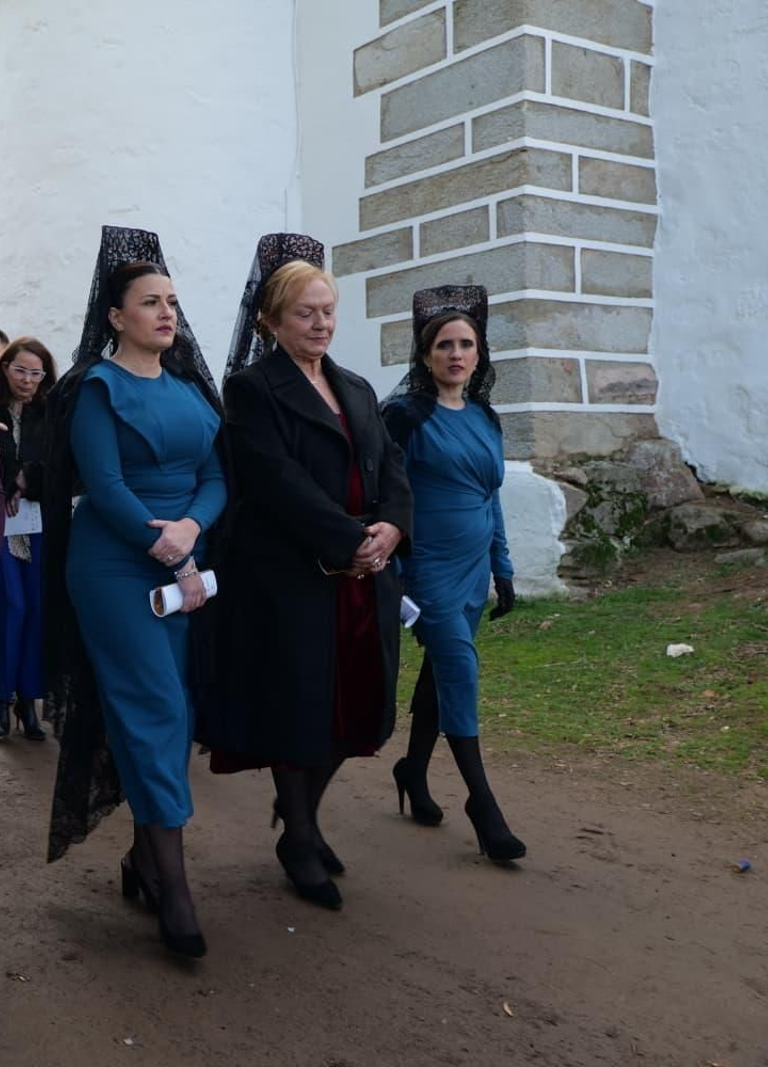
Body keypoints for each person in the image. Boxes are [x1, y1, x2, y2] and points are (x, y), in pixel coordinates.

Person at [198, 238, 413, 911]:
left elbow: (392, 465)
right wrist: (348, 539)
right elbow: (275, 481)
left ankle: (303, 816)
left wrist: (391, 526)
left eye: (327, 311)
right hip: (292, 578)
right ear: (271, 321)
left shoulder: (356, 387)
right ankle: (297, 835)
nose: (321, 324)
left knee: (359, 706)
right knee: (301, 709)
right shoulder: (251, 390)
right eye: (304, 313)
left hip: (363, 575)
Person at [43, 227, 227, 959]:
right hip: (118, 568)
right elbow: (106, 484)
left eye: (171, 301)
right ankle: (174, 889)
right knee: (153, 707)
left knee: (178, 709)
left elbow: (217, 474)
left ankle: (145, 858)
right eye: (150, 302)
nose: (166, 313)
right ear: (116, 316)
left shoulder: (189, 390)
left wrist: (191, 528)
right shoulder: (97, 388)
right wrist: (169, 549)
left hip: (186, 555)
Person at [380, 285, 525, 864]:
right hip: (427, 570)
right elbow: (386, 493)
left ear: (479, 354)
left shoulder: (487, 417)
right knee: (460, 669)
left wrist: (503, 568)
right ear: (425, 355)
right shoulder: (405, 416)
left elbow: (492, 497)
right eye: (444, 345)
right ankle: (483, 805)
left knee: (439, 673)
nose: (456, 354)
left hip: (472, 571)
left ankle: (412, 770)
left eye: (466, 344)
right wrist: (394, 569)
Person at [0, 336, 56, 740]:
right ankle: (1, 696)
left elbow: (63, 465)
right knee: (10, 605)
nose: (27, 380)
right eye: (20, 370)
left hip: (39, 521)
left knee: (37, 609)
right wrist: (10, 480)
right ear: (5, 368)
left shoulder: (51, 412)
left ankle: (29, 700)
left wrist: (30, 478)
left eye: (36, 373)